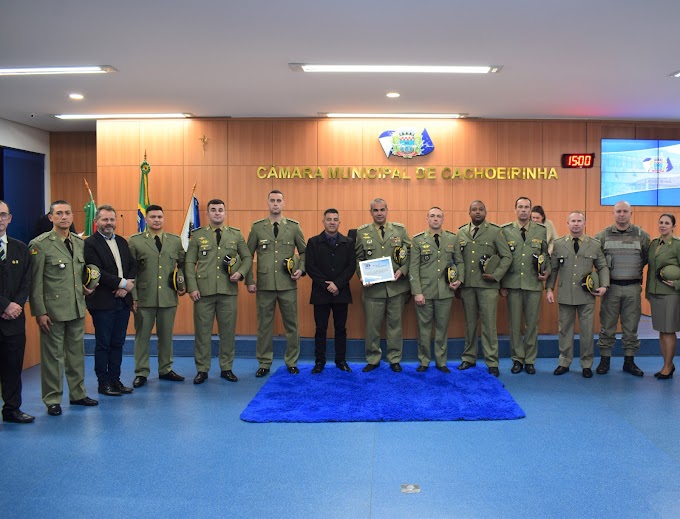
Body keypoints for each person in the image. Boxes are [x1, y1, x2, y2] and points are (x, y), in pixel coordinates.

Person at [29, 200, 98, 416]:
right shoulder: (40, 244)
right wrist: (39, 311)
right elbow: (35, 281)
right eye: (59, 213)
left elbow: (82, 272)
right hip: (53, 311)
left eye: (68, 213)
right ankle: (52, 399)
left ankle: (77, 394)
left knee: (76, 354)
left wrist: (89, 286)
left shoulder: (79, 243)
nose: (64, 217)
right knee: (53, 358)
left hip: (76, 308)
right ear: (51, 217)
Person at [185, 199, 252, 384]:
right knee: (202, 333)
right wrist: (192, 287)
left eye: (220, 210)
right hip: (203, 293)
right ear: (207, 214)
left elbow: (247, 258)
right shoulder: (197, 235)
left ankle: (226, 368)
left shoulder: (236, 235)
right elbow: (189, 263)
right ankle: (202, 369)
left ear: (225, 213)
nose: (217, 213)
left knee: (228, 333)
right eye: (213, 210)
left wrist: (240, 273)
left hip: (227, 291)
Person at [246, 190, 305, 377]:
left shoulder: (294, 227)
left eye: (279, 200)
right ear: (267, 203)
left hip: (288, 284)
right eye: (272, 200)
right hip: (264, 285)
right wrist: (249, 280)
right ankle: (264, 362)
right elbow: (248, 255)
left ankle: (292, 361)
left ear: (284, 203)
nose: (275, 204)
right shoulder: (257, 228)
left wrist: (301, 270)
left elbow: (304, 252)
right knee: (264, 326)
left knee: (292, 326)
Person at [128, 204, 186, 388]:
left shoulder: (175, 241)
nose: (156, 220)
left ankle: (165, 369)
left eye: (160, 217)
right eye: (152, 217)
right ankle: (141, 372)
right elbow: (131, 272)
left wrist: (182, 284)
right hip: (144, 297)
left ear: (164, 218)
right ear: (146, 219)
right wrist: (133, 297)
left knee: (166, 336)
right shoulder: (135, 241)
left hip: (168, 297)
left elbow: (183, 264)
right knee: (142, 337)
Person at [546, 211, 609, 378]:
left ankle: (586, 364)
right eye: (573, 221)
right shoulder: (559, 244)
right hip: (565, 294)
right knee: (565, 330)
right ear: (567, 223)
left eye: (579, 221)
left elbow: (602, 266)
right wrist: (549, 289)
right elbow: (553, 269)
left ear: (584, 223)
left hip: (586, 295)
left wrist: (604, 285)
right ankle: (564, 362)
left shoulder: (594, 244)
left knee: (587, 332)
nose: (576, 224)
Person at [453, 200, 511, 377]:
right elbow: (457, 259)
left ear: (486, 212)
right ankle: (469, 358)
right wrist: (459, 281)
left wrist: (497, 276)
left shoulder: (494, 231)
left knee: (488, 325)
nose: (477, 212)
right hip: (468, 286)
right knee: (470, 324)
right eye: (474, 209)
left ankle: (492, 361)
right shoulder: (461, 232)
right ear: (469, 212)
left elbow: (506, 256)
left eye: (481, 209)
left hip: (488, 287)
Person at [84, 205, 137, 397]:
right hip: (103, 303)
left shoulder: (122, 242)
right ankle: (103, 383)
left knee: (118, 343)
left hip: (122, 302)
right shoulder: (90, 243)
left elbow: (132, 265)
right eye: (105, 220)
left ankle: (116, 380)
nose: (109, 223)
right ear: (96, 222)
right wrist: (123, 283)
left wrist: (127, 285)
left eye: (112, 219)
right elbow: (97, 270)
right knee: (103, 344)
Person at [355, 198, 412, 373]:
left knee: (395, 326)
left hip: (396, 288)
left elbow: (410, 254)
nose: (379, 213)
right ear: (370, 212)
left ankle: (394, 358)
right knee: (372, 326)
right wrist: (362, 275)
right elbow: (358, 258)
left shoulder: (400, 230)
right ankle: (373, 358)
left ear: (387, 210)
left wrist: (403, 270)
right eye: (375, 210)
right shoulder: (362, 232)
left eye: (382, 210)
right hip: (373, 289)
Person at [594, 200, 650, 377]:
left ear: (630, 213)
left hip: (633, 288)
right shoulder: (602, 236)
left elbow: (647, 258)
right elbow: (596, 260)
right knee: (607, 326)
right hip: (611, 289)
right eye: (618, 211)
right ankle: (605, 360)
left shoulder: (642, 235)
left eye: (625, 211)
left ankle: (629, 361)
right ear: (613, 213)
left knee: (631, 327)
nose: (621, 214)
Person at [501, 197, 550, 375]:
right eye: (520, 207)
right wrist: (501, 283)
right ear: (515, 209)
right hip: (513, 284)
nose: (523, 210)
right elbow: (501, 258)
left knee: (532, 325)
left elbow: (545, 255)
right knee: (514, 325)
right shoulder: (506, 231)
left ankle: (529, 360)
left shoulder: (541, 230)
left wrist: (546, 271)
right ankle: (517, 359)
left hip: (533, 284)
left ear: (530, 210)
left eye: (526, 207)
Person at [409, 206, 459, 373]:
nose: (435, 219)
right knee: (423, 329)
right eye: (432, 216)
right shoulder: (417, 240)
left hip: (445, 291)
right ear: (427, 219)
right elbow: (413, 268)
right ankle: (424, 361)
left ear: (443, 219)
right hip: (425, 292)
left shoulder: (452, 239)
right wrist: (417, 292)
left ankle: (441, 361)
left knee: (442, 329)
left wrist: (459, 279)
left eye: (438, 216)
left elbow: (460, 263)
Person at [305, 208, 355, 373]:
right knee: (321, 329)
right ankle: (320, 361)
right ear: (323, 222)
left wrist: (337, 284)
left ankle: (341, 360)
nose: (332, 222)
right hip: (321, 293)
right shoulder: (313, 242)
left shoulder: (348, 242)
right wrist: (327, 285)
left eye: (335, 219)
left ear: (339, 222)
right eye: (329, 219)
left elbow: (351, 267)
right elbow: (310, 267)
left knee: (341, 329)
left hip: (341, 293)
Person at [0, 201, 34, 424]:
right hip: (6, 310)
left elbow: (26, 280)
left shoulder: (21, 248)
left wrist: (17, 304)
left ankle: (12, 409)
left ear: (10, 219)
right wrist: (4, 305)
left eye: (3, 215)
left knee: (13, 367)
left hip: (14, 319)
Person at [645, 213, 680, 379]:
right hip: (656, 293)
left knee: (669, 331)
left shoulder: (677, 245)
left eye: (667, 223)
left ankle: (668, 366)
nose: (663, 225)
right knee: (661, 331)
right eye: (661, 222)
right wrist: (648, 292)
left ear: (673, 226)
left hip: (671, 294)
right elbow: (651, 270)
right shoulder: (654, 244)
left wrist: (677, 284)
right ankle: (667, 364)